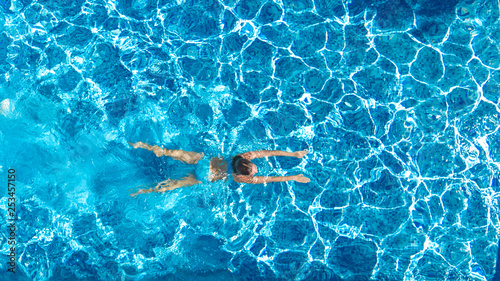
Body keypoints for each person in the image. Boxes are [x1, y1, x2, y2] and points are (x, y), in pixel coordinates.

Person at [128, 141, 310, 197]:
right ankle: (145, 190)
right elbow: (268, 179)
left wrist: (293, 155)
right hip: (206, 176)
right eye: (254, 170)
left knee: (171, 152)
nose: (256, 170)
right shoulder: (240, 178)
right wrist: (292, 178)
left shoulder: (243, 157)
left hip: (204, 162)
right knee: (175, 184)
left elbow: (267, 152)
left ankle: (142, 146)